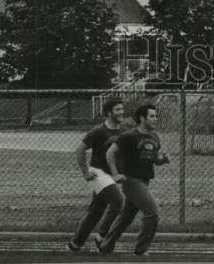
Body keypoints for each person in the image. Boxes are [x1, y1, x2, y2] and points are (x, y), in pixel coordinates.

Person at [95, 103, 169, 257]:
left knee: (126, 216)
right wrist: (116, 174)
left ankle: (105, 245)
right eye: (152, 116)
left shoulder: (154, 136)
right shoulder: (129, 136)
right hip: (131, 180)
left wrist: (163, 160)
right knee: (152, 212)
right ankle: (141, 249)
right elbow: (110, 153)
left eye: (156, 116)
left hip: (145, 180)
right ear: (142, 118)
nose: (156, 119)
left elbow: (155, 159)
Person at [67, 99, 125, 254]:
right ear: (109, 113)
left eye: (122, 109)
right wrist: (85, 172)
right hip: (98, 174)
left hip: (111, 176)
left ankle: (75, 243)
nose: (122, 112)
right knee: (118, 202)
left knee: (96, 211)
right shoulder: (98, 132)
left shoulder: (122, 131)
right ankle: (102, 237)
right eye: (118, 109)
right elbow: (80, 150)